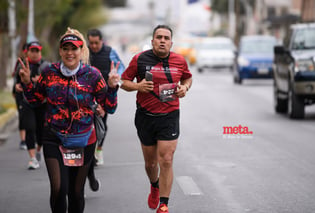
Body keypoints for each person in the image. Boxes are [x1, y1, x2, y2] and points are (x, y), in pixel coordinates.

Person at [18, 27, 120, 213]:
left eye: (74, 48)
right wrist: (26, 84)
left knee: (75, 192)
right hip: (54, 137)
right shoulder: (50, 72)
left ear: (81, 51)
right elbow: (35, 100)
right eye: (66, 48)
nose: (70, 52)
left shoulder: (93, 75)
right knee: (59, 188)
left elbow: (110, 108)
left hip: (84, 140)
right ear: (60, 51)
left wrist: (112, 88)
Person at [120, 25, 193, 213]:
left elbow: (187, 79)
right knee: (151, 163)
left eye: (166, 38)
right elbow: (123, 82)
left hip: (169, 116)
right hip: (145, 116)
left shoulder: (179, 61)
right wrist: (138, 87)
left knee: (167, 159)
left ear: (171, 42)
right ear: (152, 41)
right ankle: (154, 185)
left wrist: (184, 88)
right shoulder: (139, 59)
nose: (162, 40)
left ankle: (163, 204)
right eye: (158, 37)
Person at [87, 28, 125, 166]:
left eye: (96, 43)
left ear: (101, 41)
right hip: (87, 94)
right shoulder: (85, 52)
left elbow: (121, 68)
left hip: (105, 94)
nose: (94, 46)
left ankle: (99, 149)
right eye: (91, 43)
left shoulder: (110, 52)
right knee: (87, 123)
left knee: (101, 123)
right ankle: (88, 153)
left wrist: (116, 76)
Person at [14, 41, 50, 169]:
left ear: (40, 52)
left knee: (41, 131)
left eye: (37, 51)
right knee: (29, 128)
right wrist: (18, 87)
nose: (34, 54)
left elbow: (52, 85)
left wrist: (40, 81)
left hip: (42, 103)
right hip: (26, 102)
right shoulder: (21, 66)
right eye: (32, 51)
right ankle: (32, 158)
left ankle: (38, 149)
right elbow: (17, 83)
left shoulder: (47, 66)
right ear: (27, 51)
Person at [12, 43, 28, 150]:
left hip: (32, 95)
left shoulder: (38, 64)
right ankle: (23, 140)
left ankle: (31, 137)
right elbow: (15, 78)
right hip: (20, 94)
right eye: (26, 50)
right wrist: (14, 90)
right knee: (22, 116)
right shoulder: (20, 63)